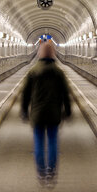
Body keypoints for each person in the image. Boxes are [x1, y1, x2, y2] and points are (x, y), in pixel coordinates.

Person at [20, 41, 72, 182]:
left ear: (39, 54)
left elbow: (25, 93)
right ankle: (51, 169)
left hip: (37, 114)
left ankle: (41, 170)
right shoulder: (59, 73)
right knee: (53, 141)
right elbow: (65, 94)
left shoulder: (32, 72)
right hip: (54, 113)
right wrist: (67, 111)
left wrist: (24, 110)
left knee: (38, 141)